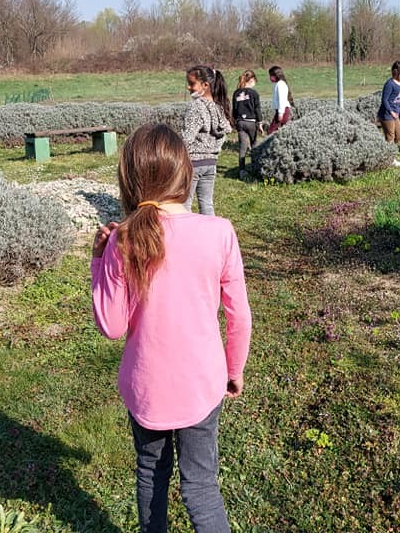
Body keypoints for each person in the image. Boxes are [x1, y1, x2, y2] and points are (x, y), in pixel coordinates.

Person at [91, 123, 252, 533]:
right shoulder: (219, 232)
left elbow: (111, 326)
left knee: (151, 476)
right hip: (203, 382)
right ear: (185, 175)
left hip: (148, 390)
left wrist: (99, 262)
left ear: (128, 179)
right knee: (200, 487)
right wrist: (233, 370)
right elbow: (239, 314)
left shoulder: (121, 240)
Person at [183, 65, 233, 215]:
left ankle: (186, 236)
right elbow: (222, 135)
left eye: (192, 83)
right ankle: (210, 236)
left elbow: (187, 138)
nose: (188, 87)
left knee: (184, 204)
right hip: (211, 163)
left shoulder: (196, 107)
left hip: (192, 163)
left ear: (205, 85)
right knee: (207, 204)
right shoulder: (219, 108)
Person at [377, 60, 400, 168]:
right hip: (386, 115)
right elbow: (385, 100)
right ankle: (390, 160)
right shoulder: (389, 84)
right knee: (390, 136)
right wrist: (391, 111)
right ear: (396, 72)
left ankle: (386, 152)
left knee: (399, 135)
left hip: (395, 115)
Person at [231, 70, 263, 180]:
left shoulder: (236, 93)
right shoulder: (254, 93)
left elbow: (234, 110)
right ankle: (255, 168)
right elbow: (257, 109)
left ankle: (242, 170)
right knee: (254, 145)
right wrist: (260, 123)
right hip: (251, 122)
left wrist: (235, 122)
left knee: (243, 147)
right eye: (255, 81)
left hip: (240, 122)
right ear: (252, 80)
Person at [266, 65, 294, 134]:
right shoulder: (279, 84)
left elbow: (282, 100)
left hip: (282, 110)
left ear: (276, 75)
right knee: (282, 130)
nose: (269, 78)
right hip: (283, 110)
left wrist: (280, 113)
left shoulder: (280, 84)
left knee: (271, 131)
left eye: (270, 75)